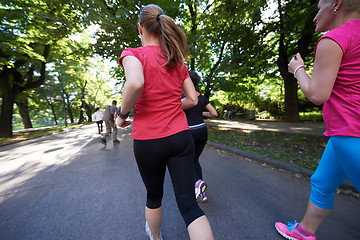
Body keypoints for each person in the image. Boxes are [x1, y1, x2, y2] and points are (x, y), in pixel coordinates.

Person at [116, 4, 214, 240]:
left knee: (154, 196)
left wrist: (122, 114)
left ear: (140, 28)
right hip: (181, 137)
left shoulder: (133, 54)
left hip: (148, 141)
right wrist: (168, 106)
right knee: (189, 206)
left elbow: (135, 83)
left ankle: (156, 237)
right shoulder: (175, 59)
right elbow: (192, 99)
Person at [275, 0, 360, 239]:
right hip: (344, 133)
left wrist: (298, 69)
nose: (314, 16)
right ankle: (305, 231)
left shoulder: (333, 39)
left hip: (350, 132)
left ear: (336, 4)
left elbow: (316, 94)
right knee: (322, 181)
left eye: (319, 5)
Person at [182, 70, 218, 203]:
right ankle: (202, 192)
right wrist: (200, 113)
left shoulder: (181, 97)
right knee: (195, 160)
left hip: (189, 131)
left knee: (186, 161)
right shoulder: (201, 97)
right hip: (202, 131)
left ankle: (197, 183)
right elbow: (214, 113)